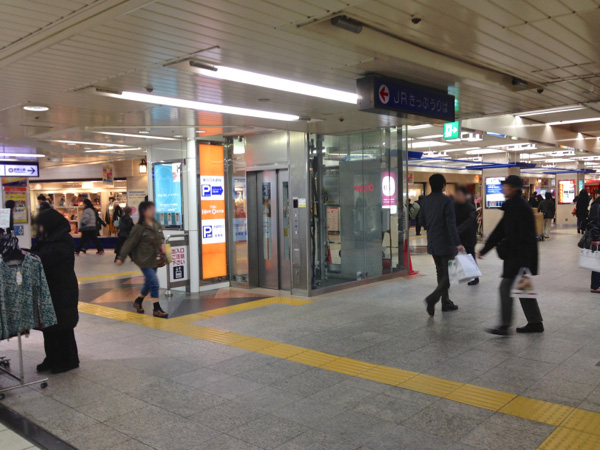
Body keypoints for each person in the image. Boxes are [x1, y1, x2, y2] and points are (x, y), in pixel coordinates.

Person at [479, 175, 543, 335]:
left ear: (514, 188)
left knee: (505, 287)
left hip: (519, 256)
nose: (503, 188)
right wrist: (485, 249)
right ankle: (535, 322)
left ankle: (505, 325)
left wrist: (520, 258)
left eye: (506, 185)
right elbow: (500, 231)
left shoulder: (519, 208)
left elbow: (524, 236)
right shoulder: (513, 206)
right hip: (519, 256)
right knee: (523, 288)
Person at [32, 209, 80, 373]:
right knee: (49, 326)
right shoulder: (46, 239)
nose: (39, 228)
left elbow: (47, 258)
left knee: (63, 326)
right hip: (49, 288)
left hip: (62, 288)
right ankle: (52, 358)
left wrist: (30, 256)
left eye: (41, 225)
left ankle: (68, 360)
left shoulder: (63, 240)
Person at [419, 174, 464, 317]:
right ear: (444, 185)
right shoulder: (447, 201)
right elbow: (451, 224)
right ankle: (433, 298)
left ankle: (446, 302)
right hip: (446, 244)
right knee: (449, 274)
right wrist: (457, 242)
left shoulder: (425, 201)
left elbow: (422, 221)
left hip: (433, 242)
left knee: (440, 272)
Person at [115, 201, 168, 318]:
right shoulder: (138, 228)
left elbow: (161, 237)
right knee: (154, 282)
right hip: (143, 260)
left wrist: (163, 245)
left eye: (153, 208)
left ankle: (138, 301)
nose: (153, 211)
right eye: (150, 209)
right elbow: (129, 243)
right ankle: (156, 308)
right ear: (144, 211)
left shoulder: (156, 224)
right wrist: (121, 257)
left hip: (155, 259)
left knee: (148, 283)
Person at [454, 186, 479, 285]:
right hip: (458, 235)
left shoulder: (470, 207)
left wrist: (458, 230)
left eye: (459, 194)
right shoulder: (455, 206)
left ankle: (474, 277)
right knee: (452, 255)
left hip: (469, 235)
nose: (457, 196)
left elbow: (470, 221)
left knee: (470, 255)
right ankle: (450, 277)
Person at [587, 191, 600, 292]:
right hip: (598, 237)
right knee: (597, 261)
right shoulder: (597, 205)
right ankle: (595, 285)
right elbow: (594, 222)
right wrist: (596, 238)